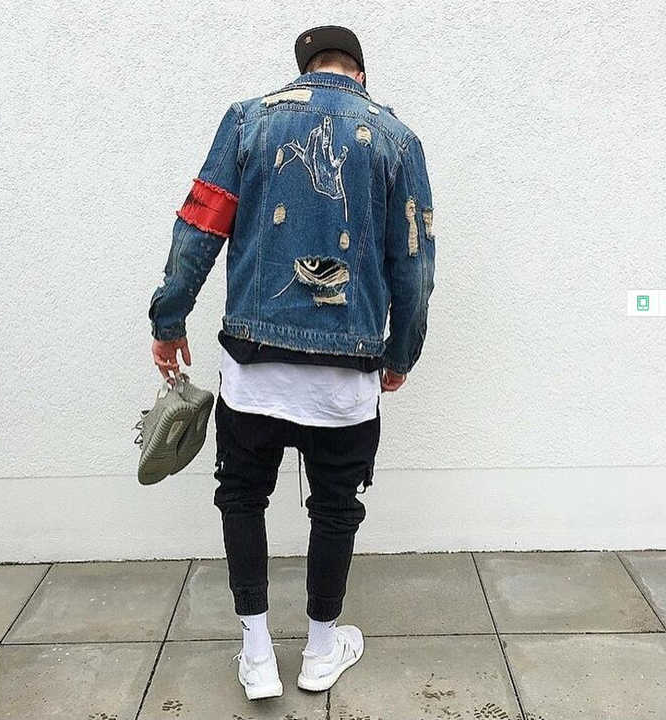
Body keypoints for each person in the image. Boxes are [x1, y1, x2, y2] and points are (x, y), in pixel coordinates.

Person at [147, 25, 435, 700]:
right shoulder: (397, 139)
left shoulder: (248, 120)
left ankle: (256, 655)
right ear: (359, 73)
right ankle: (320, 651)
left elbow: (199, 224)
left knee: (242, 498)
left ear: (303, 70)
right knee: (334, 509)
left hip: (254, 371)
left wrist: (169, 319)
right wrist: (402, 352)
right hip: (347, 378)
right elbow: (414, 263)